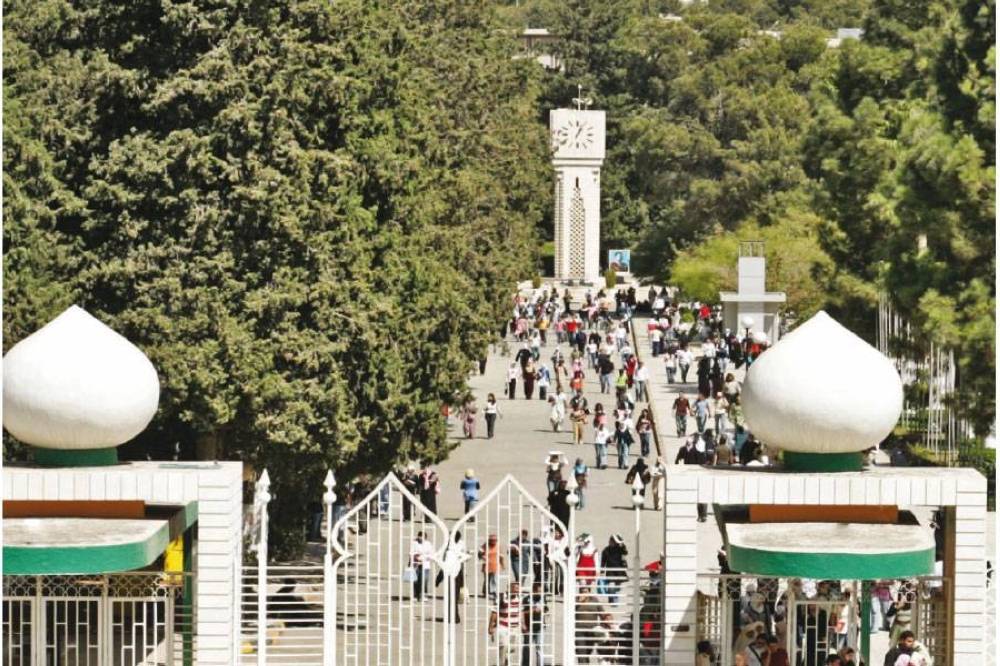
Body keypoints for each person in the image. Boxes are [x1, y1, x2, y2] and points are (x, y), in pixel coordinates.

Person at [488, 581, 522, 666]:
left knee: (512, 648)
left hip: (515, 627)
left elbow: (522, 612)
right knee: (503, 645)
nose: (517, 590)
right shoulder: (501, 597)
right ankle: (501, 663)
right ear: (509, 588)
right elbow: (494, 612)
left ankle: (506, 659)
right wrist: (491, 626)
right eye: (515, 588)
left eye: (518, 588)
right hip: (503, 626)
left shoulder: (520, 598)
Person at [521, 580, 547, 666]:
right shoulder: (526, 599)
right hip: (528, 627)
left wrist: (542, 610)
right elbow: (522, 612)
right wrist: (532, 610)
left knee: (540, 647)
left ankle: (540, 664)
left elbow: (546, 610)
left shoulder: (543, 598)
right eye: (538, 591)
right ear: (533, 590)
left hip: (540, 627)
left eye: (541, 591)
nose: (540, 593)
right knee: (527, 648)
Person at [601, 535, 628, 604]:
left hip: (619, 570)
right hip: (610, 571)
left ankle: (614, 595)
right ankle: (611, 599)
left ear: (615, 542)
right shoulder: (606, 550)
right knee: (611, 585)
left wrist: (622, 544)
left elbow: (625, 552)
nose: (610, 542)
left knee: (618, 587)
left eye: (612, 541)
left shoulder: (620, 548)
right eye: (610, 541)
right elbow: (603, 560)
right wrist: (602, 570)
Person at [409, 531, 434, 600]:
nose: (420, 538)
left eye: (422, 537)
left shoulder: (428, 544)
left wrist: (425, 557)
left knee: (424, 580)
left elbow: (431, 554)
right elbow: (411, 552)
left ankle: (424, 595)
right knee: (415, 580)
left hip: (425, 564)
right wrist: (416, 556)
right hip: (416, 564)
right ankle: (415, 595)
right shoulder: (414, 543)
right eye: (419, 537)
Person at [480, 534, 505, 599]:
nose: (493, 541)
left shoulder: (498, 546)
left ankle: (493, 592)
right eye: (492, 540)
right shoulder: (485, 546)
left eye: (495, 540)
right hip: (487, 565)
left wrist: (502, 564)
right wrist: (482, 556)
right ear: (489, 540)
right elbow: (479, 554)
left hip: (495, 565)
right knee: (487, 580)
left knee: (494, 580)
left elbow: (501, 556)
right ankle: (485, 592)